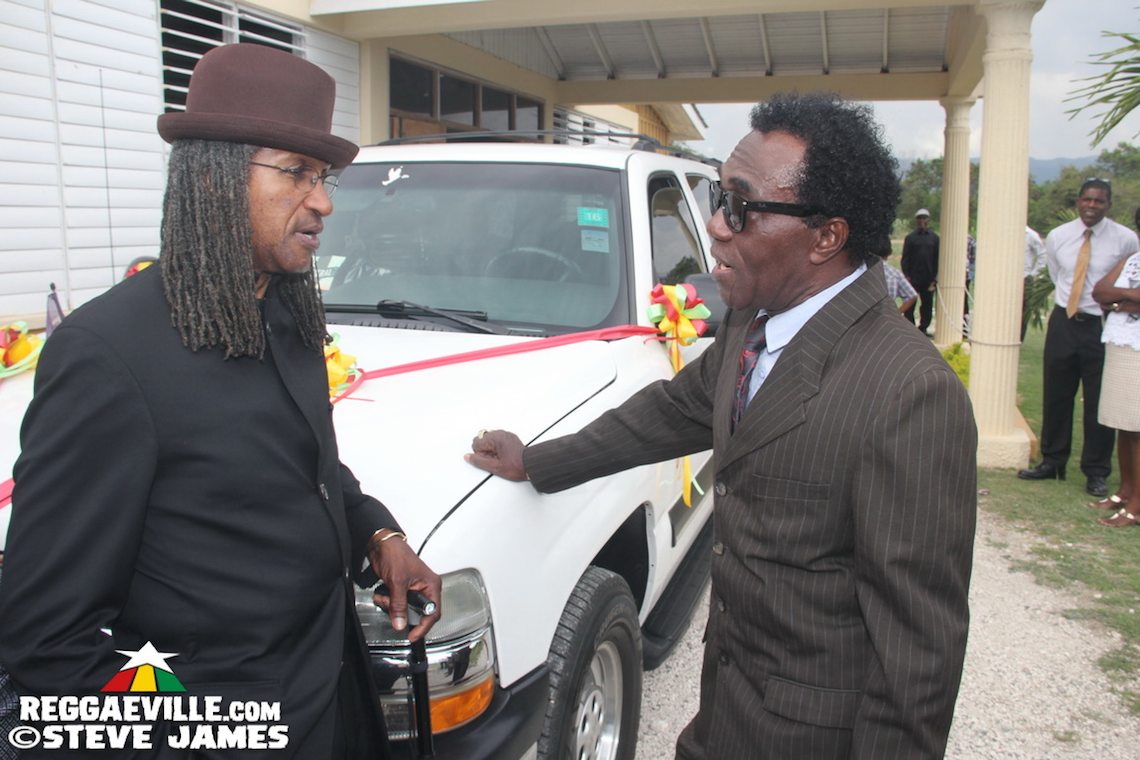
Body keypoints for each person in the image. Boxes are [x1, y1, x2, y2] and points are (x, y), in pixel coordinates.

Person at [468, 92, 977, 760]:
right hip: (726, 714)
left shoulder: (911, 394)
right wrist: (537, 461)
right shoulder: (754, 319)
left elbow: (916, 661)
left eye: (741, 205)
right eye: (717, 196)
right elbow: (675, 410)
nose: (714, 225)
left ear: (827, 235)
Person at [0, 43, 441, 759]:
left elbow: (304, 471)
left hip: (337, 703)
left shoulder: (289, 316)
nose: (324, 200)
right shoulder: (109, 355)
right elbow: (46, 640)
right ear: (213, 177)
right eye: (297, 173)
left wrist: (379, 537)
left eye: (323, 176)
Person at [1017, 179, 1139, 498]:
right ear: (1078, 201)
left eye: (1099, 201)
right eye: (1087, 200)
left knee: (1098, 398)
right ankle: (1053, 461)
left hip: (1100, 325)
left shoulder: (1126, 240)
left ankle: (1096, 471)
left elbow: (1130, 276)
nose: (1091, 206)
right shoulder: (1059, 237)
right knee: (1056, 393)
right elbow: (1060, 274)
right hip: (1065, 320)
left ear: (1108, 204)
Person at [1088, 209, 1140, 526]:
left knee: (1137, 428)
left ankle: (1137, 505)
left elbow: (1111, 297)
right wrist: (1129, 298)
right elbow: (1099, 291)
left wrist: (1118, 301)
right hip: (1121, 346)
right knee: (1122, 424)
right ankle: (1124, 491)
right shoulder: (1132, 259)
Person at [901, 207, 940, 334]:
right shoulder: (910, 238)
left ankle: (923, 328)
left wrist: (935, 277)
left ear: (928, 220)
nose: (922, 220)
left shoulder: (934, 238)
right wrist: (906, 275)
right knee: (910, 304)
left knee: (927, 305)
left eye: (924, 218)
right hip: (913, 278)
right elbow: (905, 258)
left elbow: (937, 258)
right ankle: (911, 329)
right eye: (920, 218)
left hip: (928, 278)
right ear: (916, 220)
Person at [876, 235, 918, 314]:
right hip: (887, 319)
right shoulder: (895, 274)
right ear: (889, 252)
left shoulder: (864, 272)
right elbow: (912, 295)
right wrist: (897, 314)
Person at [1021, 225, 1047, 341]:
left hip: (1024, 279)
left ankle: (1019, 339)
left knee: (1022, 312)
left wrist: (1034, 274)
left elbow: (1043, 254)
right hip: (1003, 278)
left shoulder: (1030, 234)